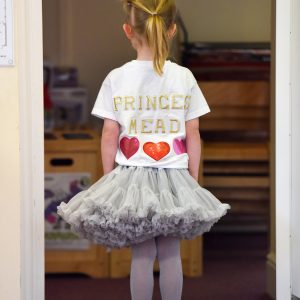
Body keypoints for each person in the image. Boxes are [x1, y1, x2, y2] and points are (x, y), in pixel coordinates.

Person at [57, 0, 231, 299]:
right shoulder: (184, 77)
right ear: (172, 30)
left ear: (128, 30)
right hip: (174, 175)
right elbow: (194, 132)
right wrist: (193, 176)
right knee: (170, 253)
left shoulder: (116, 77)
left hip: (131, 180)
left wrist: (109, 176)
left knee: (140, 256)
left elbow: (110, 133)